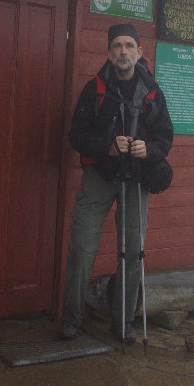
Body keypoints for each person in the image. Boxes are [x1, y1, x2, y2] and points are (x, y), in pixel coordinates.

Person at [58, 23, 174, 343]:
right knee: (82, 248)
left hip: (136, 178)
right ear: (109, 52)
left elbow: (165, 135)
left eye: (128, 46)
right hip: (99, 176)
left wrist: (149, 149)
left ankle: (123, 321)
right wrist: (107, 146)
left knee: (133, 252)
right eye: (117, 46)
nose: (123, 51)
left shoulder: (152, 92)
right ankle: (71, 319)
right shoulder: (93, 89)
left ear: (139, 52)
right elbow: (76, 135)